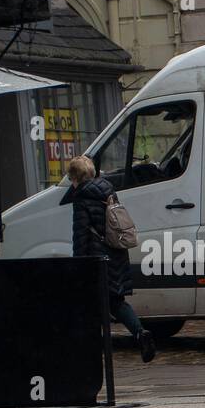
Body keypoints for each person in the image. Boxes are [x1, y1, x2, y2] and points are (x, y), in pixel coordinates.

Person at [63, 155, 155, 363]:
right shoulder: (108, 191)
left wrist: (79, 264)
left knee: (90, 302)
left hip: (96, 259)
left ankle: (88, 350)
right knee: (116, 301)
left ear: (75, 178)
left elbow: (81, 235)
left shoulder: (81, 199)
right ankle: (140, 333)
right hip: (116, 253)